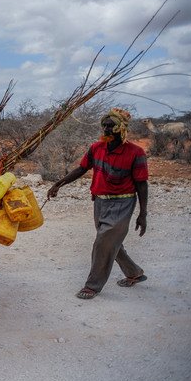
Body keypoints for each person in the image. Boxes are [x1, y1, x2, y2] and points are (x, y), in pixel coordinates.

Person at [47, 107, 148, 300]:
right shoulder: (96, 148)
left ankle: (92, 286)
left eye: (111, 126)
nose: (106, 130)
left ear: (121, 128)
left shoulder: (136, 152)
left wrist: (143, 214)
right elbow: (82, 168)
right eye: (104, 126)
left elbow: (142, 185)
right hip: (100, 202)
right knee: (110, 242)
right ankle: (134, 272)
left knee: (103, 242)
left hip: (123, 203)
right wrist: (59, 184)